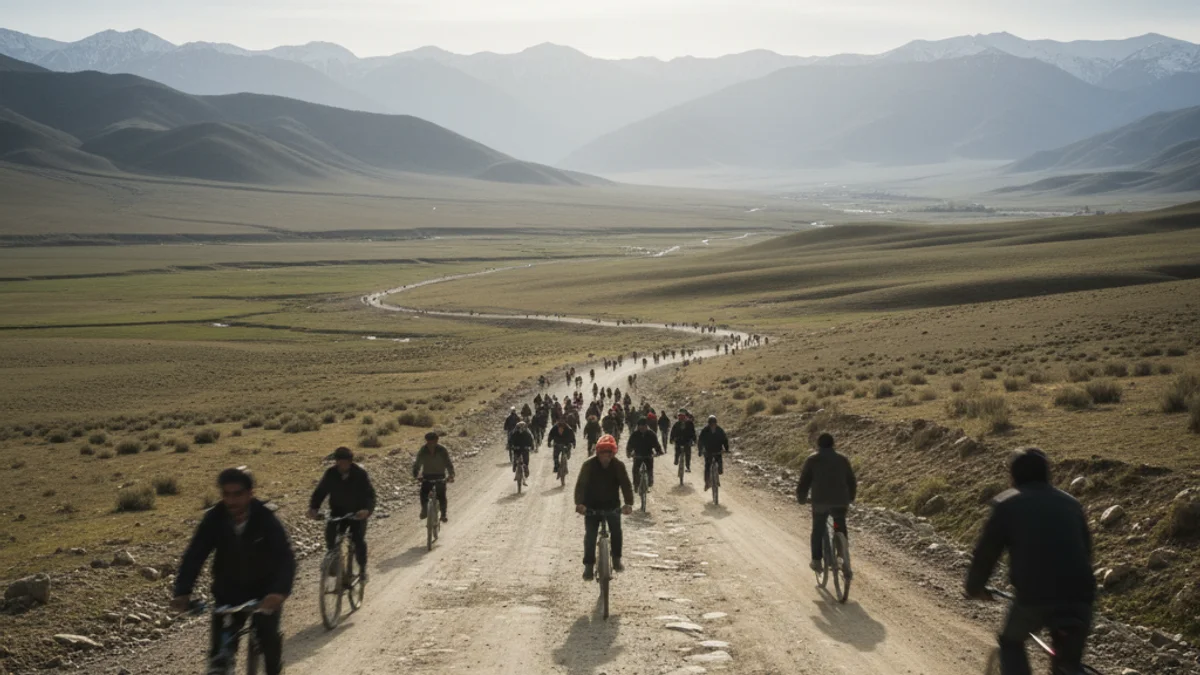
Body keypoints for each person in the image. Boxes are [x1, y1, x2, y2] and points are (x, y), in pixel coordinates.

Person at [965, 448, 1095, 675]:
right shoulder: (1072, 504)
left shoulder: (1006, 504)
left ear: (1013, 476)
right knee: (1068, 663)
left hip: (1034, 596)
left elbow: (986, 554)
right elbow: (1087, 552)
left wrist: (974, 588)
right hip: (1081, 596)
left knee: (1011, 642)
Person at [171, 468, 295, 675]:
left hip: (265, 592)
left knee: (268, 639)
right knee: (219, 656)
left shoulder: (265, 518)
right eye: (226, 494)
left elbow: (285, 557)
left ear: (250, 493)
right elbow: (195, 555)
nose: (231, 500)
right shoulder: (214, 519)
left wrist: (279, 592)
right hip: (228, 593)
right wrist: (182, 592)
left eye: (237, 494)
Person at [307, 447, 376, 582]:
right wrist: (313, 508)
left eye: (345, 462)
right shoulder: (331, 473)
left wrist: (367, 510)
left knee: (358, 540)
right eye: (339, 461)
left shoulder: (360, 474)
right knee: (330, 536)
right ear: (336, 461)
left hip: (357, 513)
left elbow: (370, 495)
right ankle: (335, 562)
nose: (342, 465)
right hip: (337, 512)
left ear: (350, 462)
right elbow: (320, 492)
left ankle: (362, 570)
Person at [574, 434, 634, 580]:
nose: (605, 457)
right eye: (602, 453)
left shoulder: (618, 466)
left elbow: (626, 485)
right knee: (590, 535)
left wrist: (628, 503)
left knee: (616, 531)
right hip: (591, 505)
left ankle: (616, 559)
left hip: (612, 505)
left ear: (613, 453)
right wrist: (580, 504)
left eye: (609, 454)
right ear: (598, 453)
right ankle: (588, 566)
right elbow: (581, 485)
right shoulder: (588, 465)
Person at [796, 433, 857, 575]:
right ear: (833, 444)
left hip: (820, 502)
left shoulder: (812, 460)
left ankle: (817, 560)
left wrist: (802, 499)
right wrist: (850, 497)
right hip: (840, 501)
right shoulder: (843, 459)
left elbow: (804, 482)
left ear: (818, 445)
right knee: (839, 524)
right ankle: (843, 555)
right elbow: (851, 481)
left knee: (818, 527)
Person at [412, 432, 455, 523]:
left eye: (432, 442)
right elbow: (417, 464)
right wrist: (416, 475)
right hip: (427, 475)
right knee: (423, 493)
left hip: (440, 475)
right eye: (428, 442)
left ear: (436, 441)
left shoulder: (442, 450)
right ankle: (424, 510)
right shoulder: (423, 450)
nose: (430, 444)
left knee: (441, 495)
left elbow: (448, 463)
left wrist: (451, 475)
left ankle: (443, 514)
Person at [625, 417, 664, 488]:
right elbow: (629, 445)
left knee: (650, 469)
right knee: (635, 470)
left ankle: (650, 481)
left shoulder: (651, 434)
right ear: (638, 426)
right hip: (637, 455)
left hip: (648, 455)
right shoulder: (634, 434)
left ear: (646, 426)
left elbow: (656, 444)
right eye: (640, 426)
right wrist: (629, 453)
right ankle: (636, 485)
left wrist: (659, 451)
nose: (642, 428)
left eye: (644, 426)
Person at [697, 415, 729, 490]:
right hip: (708, 452)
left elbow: (725, 439)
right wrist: (700, 450)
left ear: (716, 423)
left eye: (714, 423)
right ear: (709, 424)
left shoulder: (720, 430)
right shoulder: (705, 430)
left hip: (718, 451)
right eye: (711, 424)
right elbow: (700, 441)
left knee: (720, 469)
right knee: (707, 467)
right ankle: (707, 483)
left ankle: (716, 477)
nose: (713, 425)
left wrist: (726, 449)